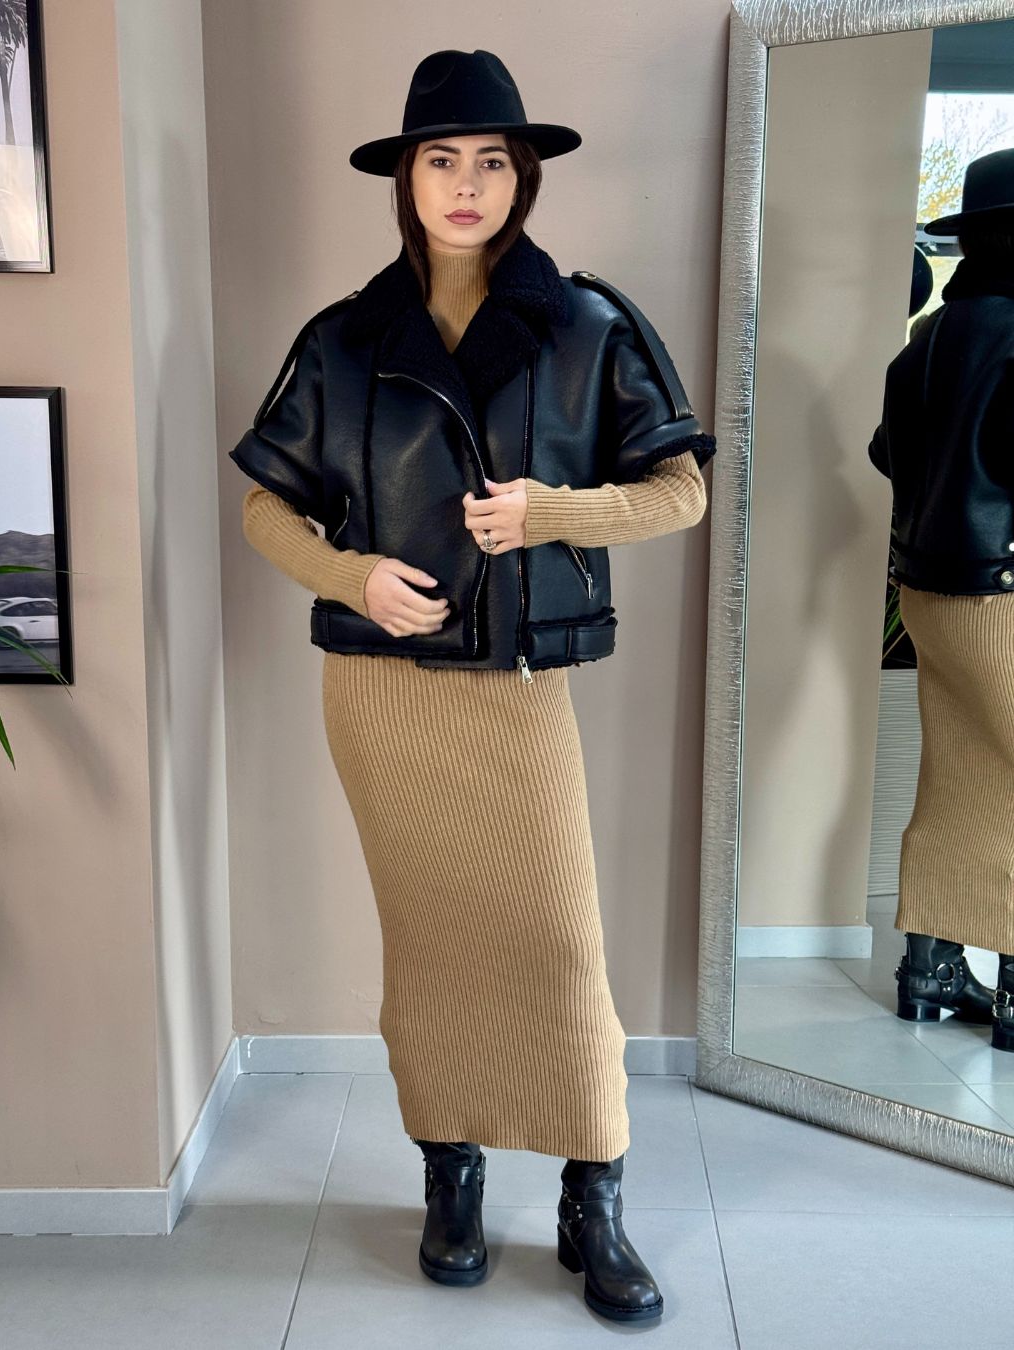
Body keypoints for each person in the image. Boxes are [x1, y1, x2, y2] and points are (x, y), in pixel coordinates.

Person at [230, 49, 715, 1324]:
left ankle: (592, 1195)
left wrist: (556, 511)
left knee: (559, 943)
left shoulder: (587, 325)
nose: (465, 183)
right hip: (383, 693)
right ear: (404, 177)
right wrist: (350, 576)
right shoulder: (343, 338)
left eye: (491, 161)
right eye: (440, 159)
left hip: (515, 685)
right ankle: (452, 1174)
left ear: (522, 178)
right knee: (431, 940)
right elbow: (265, 510)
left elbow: (681, 490)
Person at [868, 147, 1014, 1050]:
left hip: (929, 586)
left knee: (961, 771)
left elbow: (886, 454)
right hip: (1005, 588)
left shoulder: (926, 340)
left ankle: (930, 969)